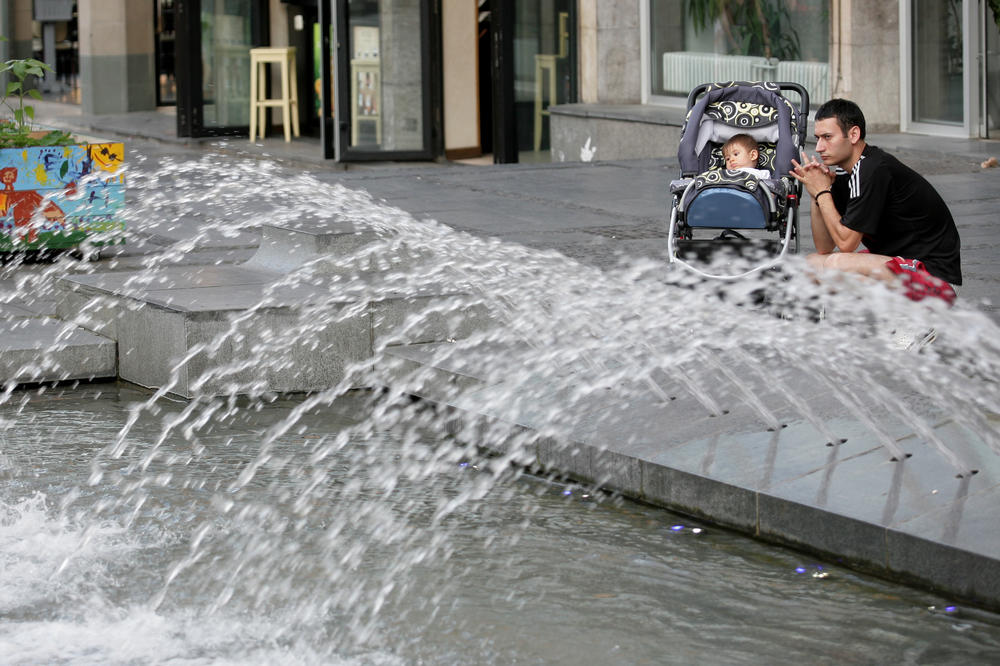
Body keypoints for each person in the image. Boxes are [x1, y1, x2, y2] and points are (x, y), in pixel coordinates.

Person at [790, 98, 961, 304]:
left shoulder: (872, 169)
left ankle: (920, 317)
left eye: (827, 137)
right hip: (896, 266)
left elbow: (846, 244)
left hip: (931, 277)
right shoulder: (848, 173)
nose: (818, 147)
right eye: (817, 138)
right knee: (813, 264)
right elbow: (824, 246)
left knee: (837, 262)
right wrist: (816, 192)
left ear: (853, 134)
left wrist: (822, 193)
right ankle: (884, 319)